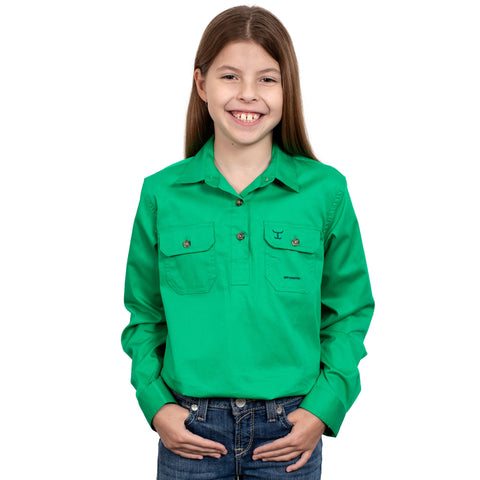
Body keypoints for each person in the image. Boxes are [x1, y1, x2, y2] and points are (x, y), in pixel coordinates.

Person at [121, 5, 374, 479]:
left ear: (287, 88)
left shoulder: (326, 192)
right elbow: (144, 316)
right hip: (190, 430)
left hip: (289, 429)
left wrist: (324, 406)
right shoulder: (162, 193)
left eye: (267, 79)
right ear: (201, 85)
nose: (248, 94)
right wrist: (156, 405)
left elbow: (349, 312)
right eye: (230, 76)